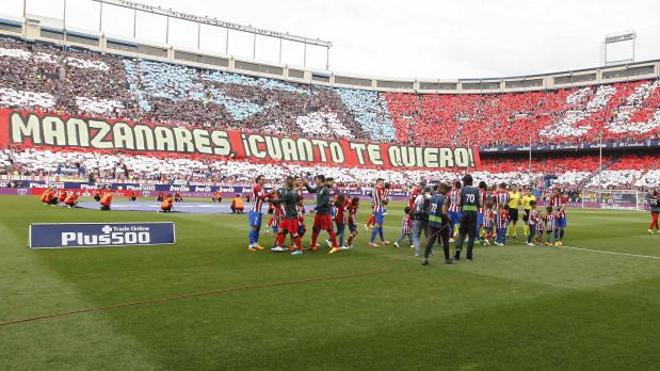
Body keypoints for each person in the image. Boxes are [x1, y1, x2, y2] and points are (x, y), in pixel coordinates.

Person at [305, 175, 341, 254]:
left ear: (320, 180)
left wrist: (315, 208)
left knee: (329, 229)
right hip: (319, 213)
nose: (315, 181)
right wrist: (306, 184)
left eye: (316, 179)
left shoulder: (325, 189)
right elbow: (311, 190)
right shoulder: (318, 188)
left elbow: (325, 202)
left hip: (325, 213)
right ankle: (313, 245)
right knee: (315, 229)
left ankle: (335, 246)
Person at [271, 176, 304, 255]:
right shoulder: (293, 192)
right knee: (280, 229)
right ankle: (280, 246)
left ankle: (299, 250)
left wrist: (269, 199)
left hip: (291, 216)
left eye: (287, 183)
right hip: (288, 216)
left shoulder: (290, 193)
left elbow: (280, 200)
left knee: (294, 233)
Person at [422, 183, 452, 265]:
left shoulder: (433, 197)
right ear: (445, 190)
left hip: (432, 221)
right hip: (442, 223)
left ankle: (425, 259)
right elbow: (443, 212)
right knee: (445, 241)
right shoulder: (444, 199)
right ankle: (447, 259)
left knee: (431, 240)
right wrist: (448, 219)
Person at [454, 174, 481, 261]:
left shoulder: (461, 190)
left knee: (462, 233)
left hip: (464, 214)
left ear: (464, 182)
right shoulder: (477, 190)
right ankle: (468, 256)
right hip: (473, 214)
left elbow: (458, 203)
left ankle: (458, 250)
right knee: (471, 236)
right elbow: (480, 204)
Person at [248, 175, 269, 252]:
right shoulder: (256, 187)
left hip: (259, 211)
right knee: (254, 227)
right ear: (258, 180)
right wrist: (270, 193)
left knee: (258, 228)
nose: (264, 181)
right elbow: (261, 197)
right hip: (254, 211)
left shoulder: (261, 189)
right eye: (262, 180)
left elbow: (264, 199)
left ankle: (255, 243)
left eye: (264, 180)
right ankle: (250, 245)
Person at [411, 186, 432, 257]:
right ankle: (430, 251)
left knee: (416, 236)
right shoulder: (431, 197)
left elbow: (414, 206)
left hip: (418, 218)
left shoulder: (419, 197)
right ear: (429, 190)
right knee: (428, 236)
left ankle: (417, 252)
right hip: (427, 218)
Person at [368, 178, 389, 247]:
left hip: (376, 208)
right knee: (377, 225)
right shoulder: (380, 190)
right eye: (382, 182)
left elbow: (371, 196)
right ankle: (371, 241)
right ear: (378, 182)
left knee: (380, 225)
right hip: (379, 209)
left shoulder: (374, 189)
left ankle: (382, 240)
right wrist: (386, 201)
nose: (383, 184)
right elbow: (383, 200)